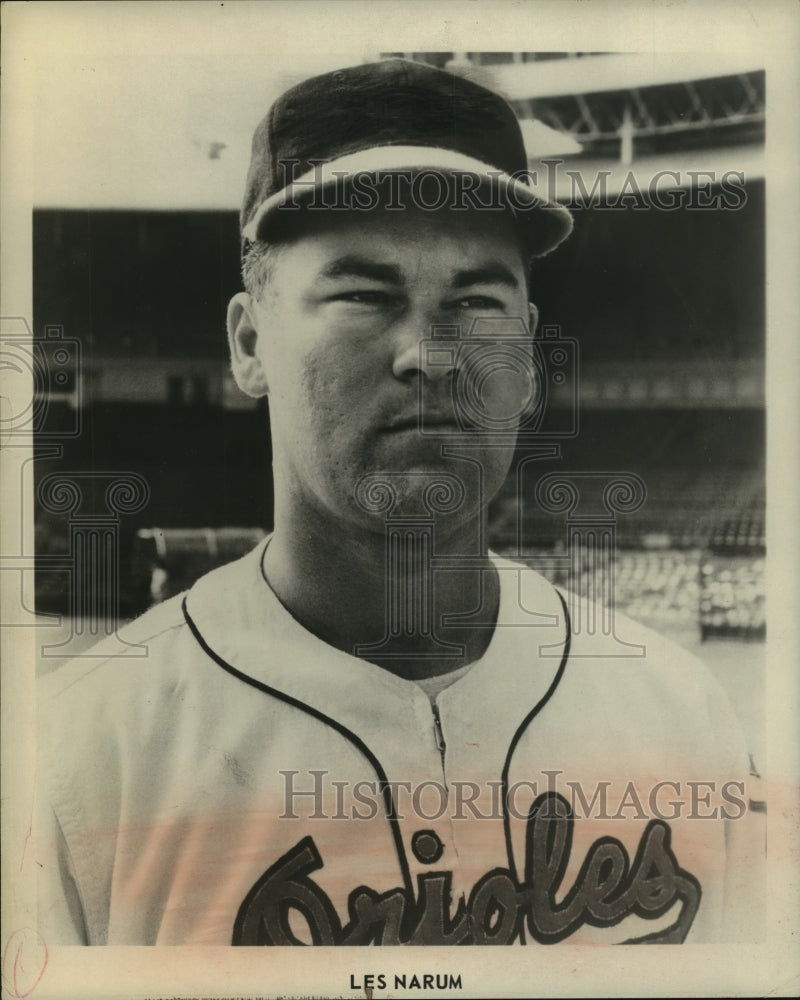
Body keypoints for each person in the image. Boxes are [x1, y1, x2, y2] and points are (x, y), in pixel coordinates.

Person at [37, 58, 763, 946]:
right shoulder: (82, 761)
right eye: (363, 295)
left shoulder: (681, 722)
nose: (433, 353)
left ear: (529, 356)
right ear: (249, 342)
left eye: (478, 301)